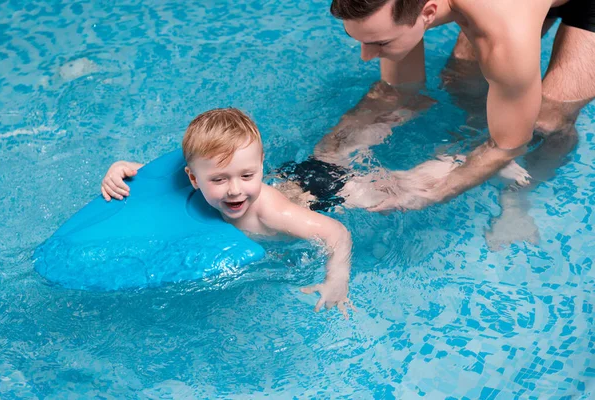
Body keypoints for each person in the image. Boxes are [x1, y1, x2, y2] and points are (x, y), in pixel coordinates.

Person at [326, 0, 595, 212]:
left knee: (546, 120)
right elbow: (398, 90)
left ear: (429, 12)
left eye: (380, 43)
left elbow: (508, 145)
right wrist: (331, 152)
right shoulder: (397, 11)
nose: (365, 56)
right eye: (360, 39)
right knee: (461, 80)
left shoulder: (504, 38)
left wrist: (427, 189)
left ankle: (521, 199)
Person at [101, 108, 356, 317]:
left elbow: (337, 233)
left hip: (321, 194)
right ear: (193, 178)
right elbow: (157, 182)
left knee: (377, 194)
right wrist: (120, 168)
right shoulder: (200, 178)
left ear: (260, 165)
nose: (234, 190)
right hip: (289, 182)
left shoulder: (271, 213)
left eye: (247, 175)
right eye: (219, 180)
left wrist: (337, 279)